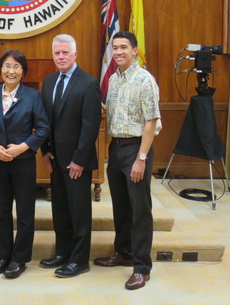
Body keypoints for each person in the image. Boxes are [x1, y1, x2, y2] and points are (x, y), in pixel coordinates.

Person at [94, 31, 161, 290]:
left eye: (124, 47)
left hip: (137, 150)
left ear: (135, 50)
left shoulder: (145, 80)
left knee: (140, 211)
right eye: (115, 48)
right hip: (117, 148)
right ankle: (123, 252)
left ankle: (142, 267)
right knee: (121, 208)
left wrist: (141, 159)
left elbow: (151, 121)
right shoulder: (112, 79)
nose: (118, 52)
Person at [0, 50, 50, 279]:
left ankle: (19, 259)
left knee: (24, 212)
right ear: (0, 69)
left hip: (23, 163)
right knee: (2, 211)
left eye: (17, 67)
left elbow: (42, 129)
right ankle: (4, 256)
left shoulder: (33, 96)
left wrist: (23, 147)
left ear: (23, 72)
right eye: (7, 66)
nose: (11, 71)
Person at [39, 34, 101, 278]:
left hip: (77, 162)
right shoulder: (49, 81)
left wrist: (80, 160)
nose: (61, 57)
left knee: (79, 212)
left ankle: (79, 260)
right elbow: (44, 121)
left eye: (65, 52)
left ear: (75, 54)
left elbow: (91, 127)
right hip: (55, 160)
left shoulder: (88, 83)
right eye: (57, 53)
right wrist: (45, 151)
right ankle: (62, 253)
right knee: (61, 211)